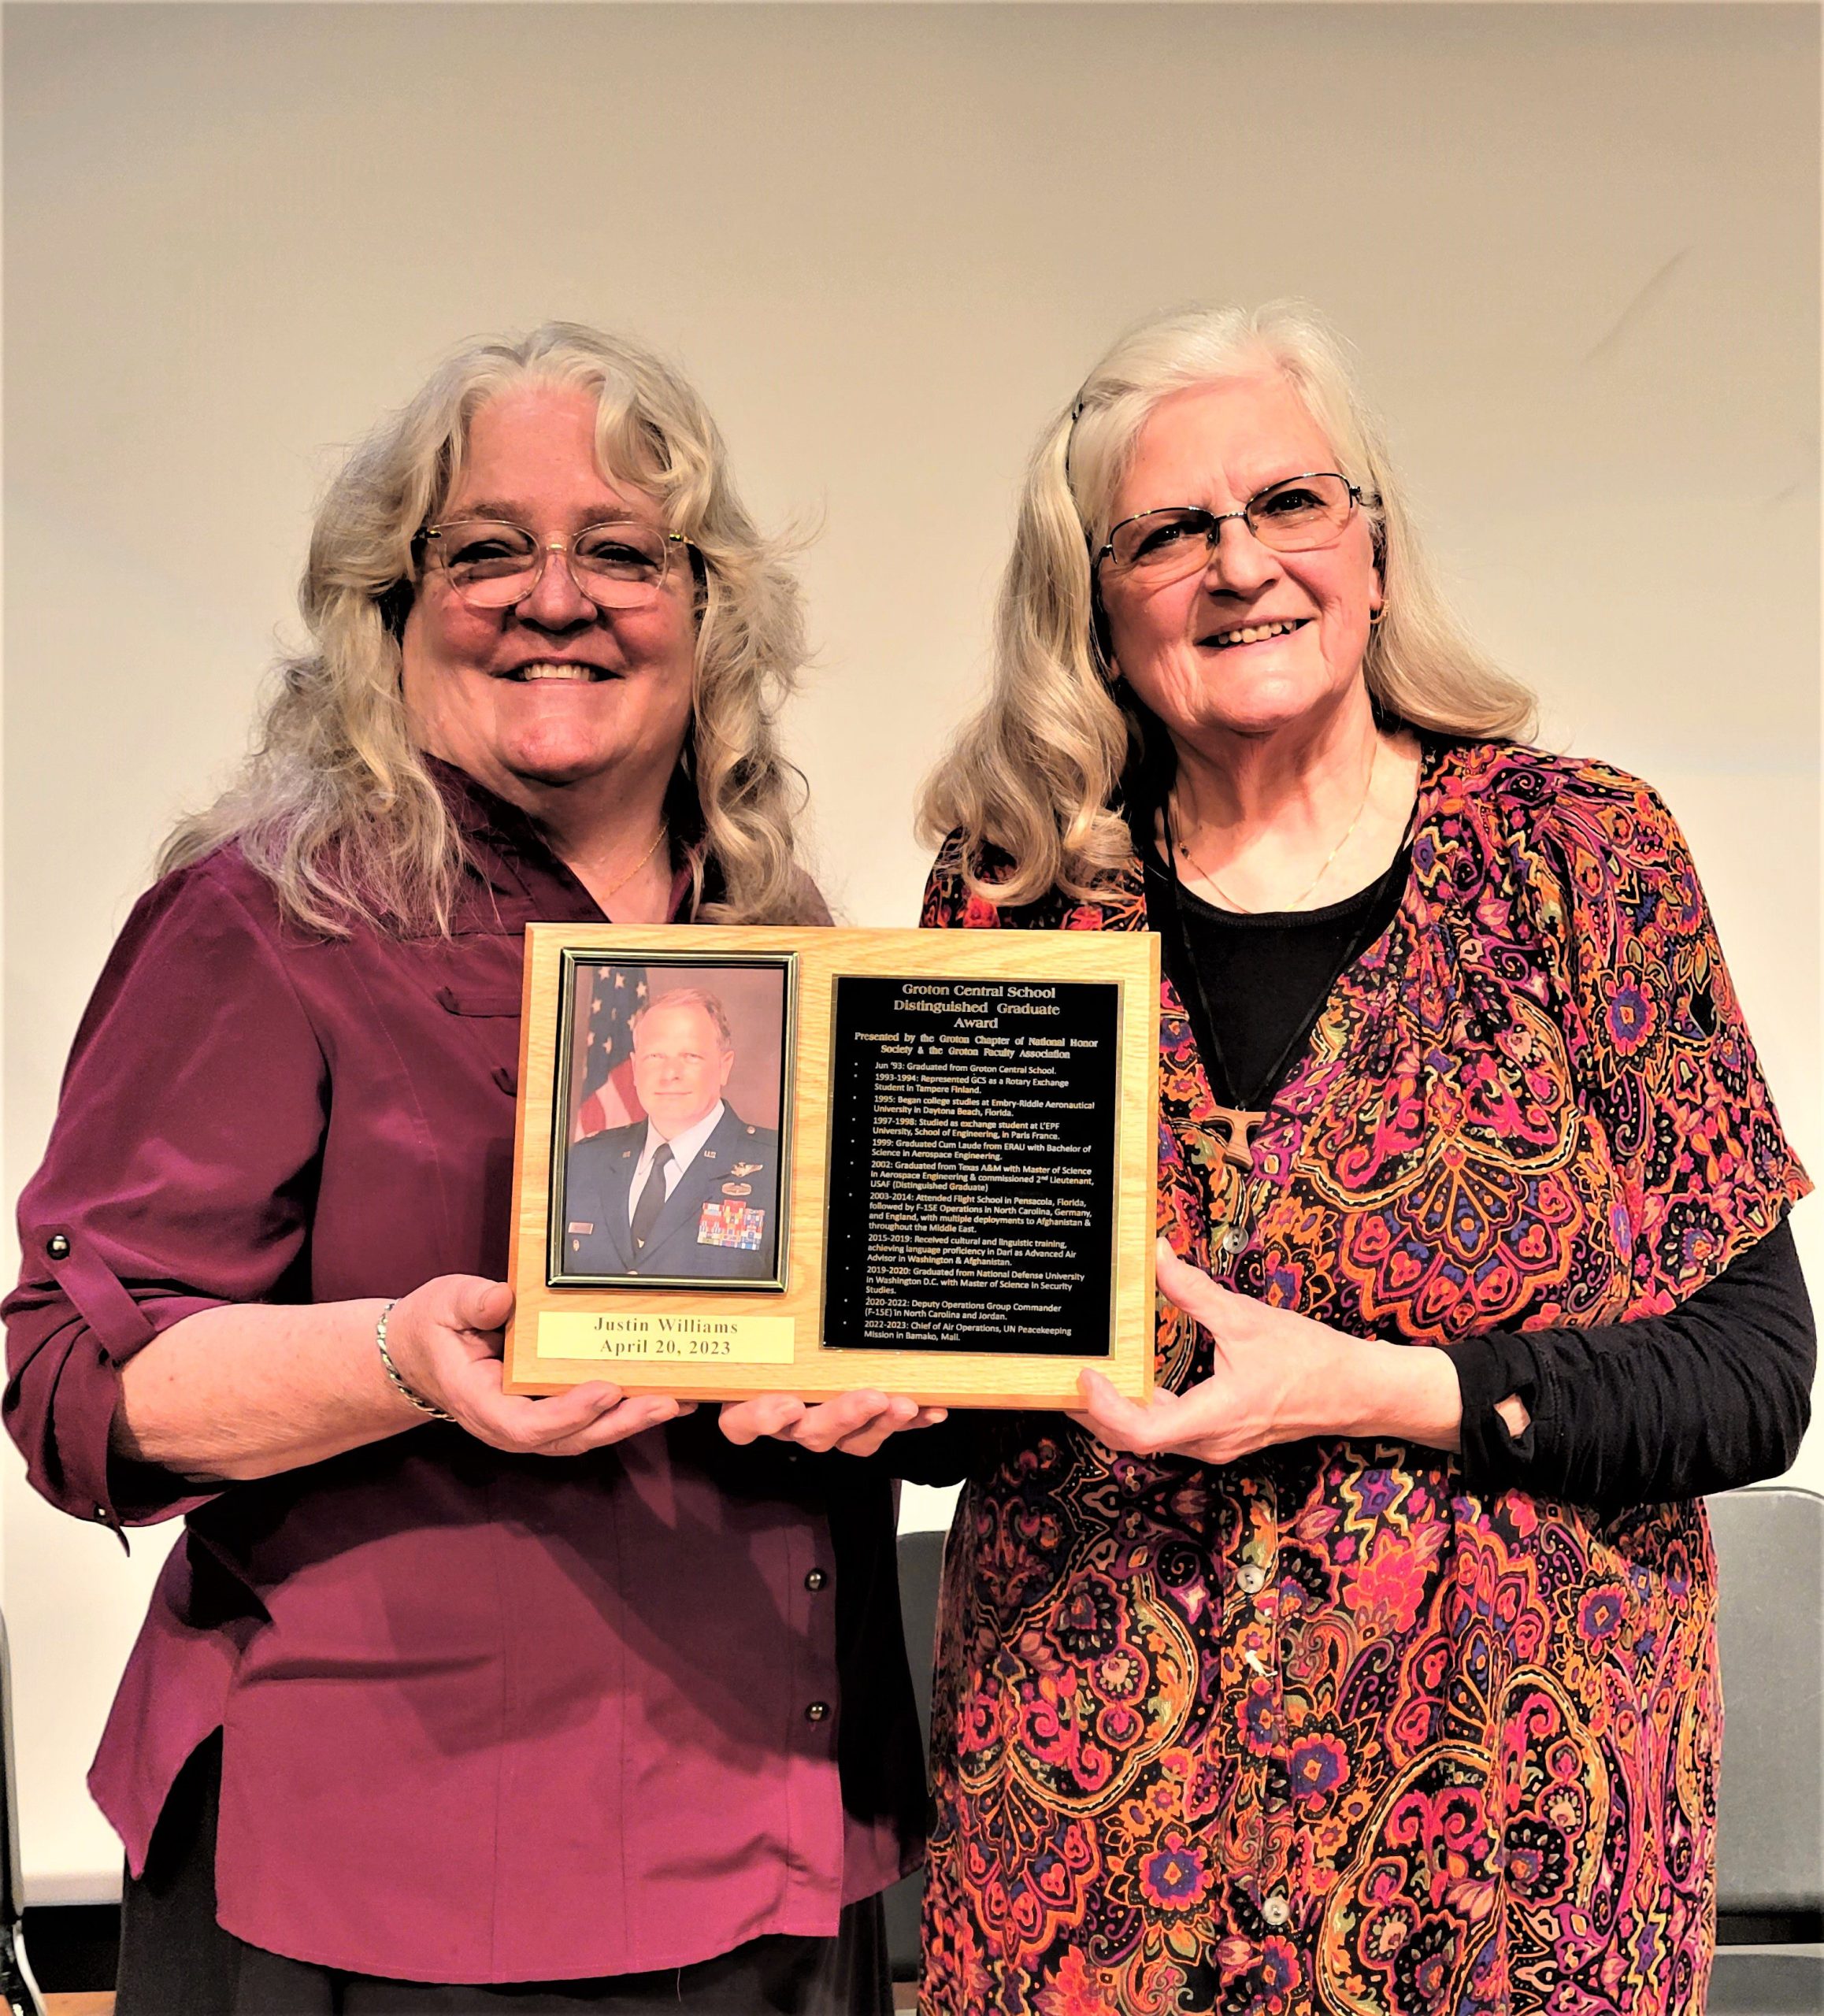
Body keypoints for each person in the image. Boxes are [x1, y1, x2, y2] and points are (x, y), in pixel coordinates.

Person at [4, 323, 933, 2013]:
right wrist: (395, 1359)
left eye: (623, 552)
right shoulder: (269, 915)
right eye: (488, 548)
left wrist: (906, 1373)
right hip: (396, 1894)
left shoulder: (783, 944)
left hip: (783, 1853)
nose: (555, 595)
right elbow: (74, 1376)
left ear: (709, 606)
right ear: (392, 604)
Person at [913, 303, 1813, 2014]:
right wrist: (844, 1361)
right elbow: (973, 1372)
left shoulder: (1581, 852)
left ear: (1376, 550)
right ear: (1097, 600)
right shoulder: (1015, 889)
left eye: (1289, 505)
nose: (1239, 563)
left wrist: (1374, 1384)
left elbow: (1752, 1374)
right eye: (1169, 531)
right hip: (1093, 1863)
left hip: (1511, 1873)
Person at [565, 988, 782, 1280]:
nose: (670, 1074)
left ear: (724, 1067)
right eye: (655, 1056)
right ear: (634, 1066)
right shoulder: (585, 1162)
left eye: (690, 1056)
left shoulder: (778, 1167)